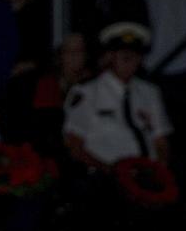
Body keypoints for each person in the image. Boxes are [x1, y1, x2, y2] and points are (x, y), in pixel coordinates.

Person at [64, 23, 171, 170]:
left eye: (134, 57)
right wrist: (109, 171)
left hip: (147, 177)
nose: (129, 62)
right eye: (124, 57)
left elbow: (160, 142)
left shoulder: (150, 92)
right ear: (111, 57)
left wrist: (160, 169)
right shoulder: (87, 92)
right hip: (105, 176)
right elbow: (74, 145)